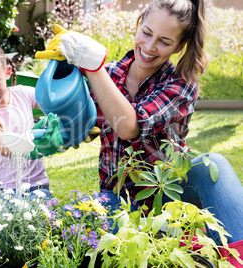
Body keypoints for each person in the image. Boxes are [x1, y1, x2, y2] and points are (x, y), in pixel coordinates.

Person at [35, 0, 243, 255]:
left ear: (180, 46)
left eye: (165, 42)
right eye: (146, 33)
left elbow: (131, 126)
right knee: (65, 225)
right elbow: (80, 126)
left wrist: (92, 67)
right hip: (119, 200)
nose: (149, 47)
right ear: (139, 24)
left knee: (215, 163)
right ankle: (177, 240)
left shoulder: (181, 83)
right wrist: (58, 134)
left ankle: (235, 258)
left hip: (170, 199)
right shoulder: (107, 74)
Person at [0, 42, 61, 244]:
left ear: (8, 72)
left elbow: (56, 105)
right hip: (0, 193)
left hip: (36, 187)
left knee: (40, 237)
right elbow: (7, 147)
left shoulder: (23, 94)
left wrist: (61, 125)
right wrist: (40, 132)